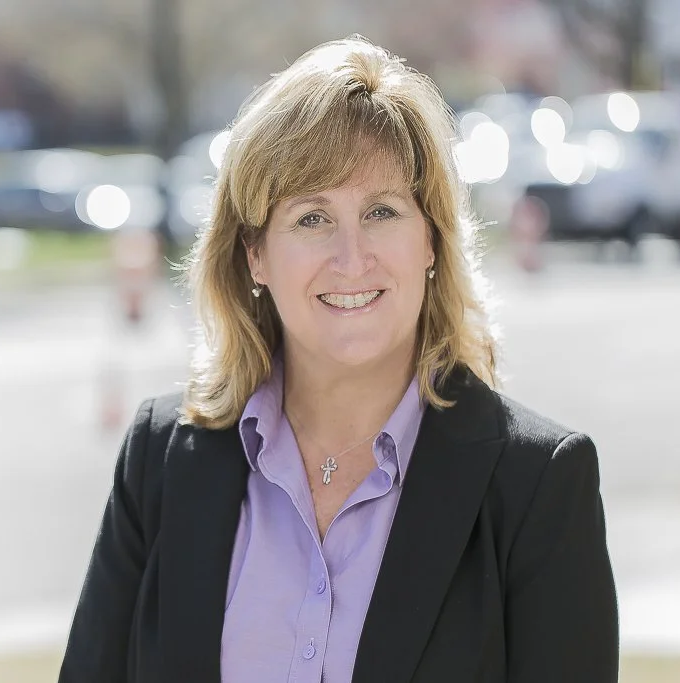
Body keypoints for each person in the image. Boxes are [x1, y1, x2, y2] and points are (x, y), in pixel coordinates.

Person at [59, 35, 618, 683]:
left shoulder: (538, 484)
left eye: (381, 211)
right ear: (255, 255)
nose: (353, 259)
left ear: (431, 239)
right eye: (311, 218)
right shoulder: (161, 459)